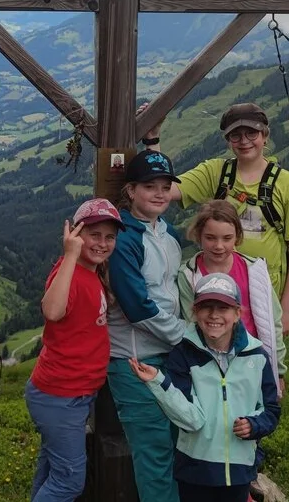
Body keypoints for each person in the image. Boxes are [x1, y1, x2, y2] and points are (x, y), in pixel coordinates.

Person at [143, 102, 289, 339]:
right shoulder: (216, 172)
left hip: (263, 302)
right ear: (228, 140)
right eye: (236, 135)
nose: (244, 140)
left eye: (251, 133)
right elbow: (165, 189)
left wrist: (285, 310)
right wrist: (152, 139)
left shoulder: (288, 185)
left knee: (261, 366)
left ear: (265, 136)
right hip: (214, 300)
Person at [128, 273, 281, 502]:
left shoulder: (257, 357)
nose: (214, 315)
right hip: (195, 471)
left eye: (223, 307)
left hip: (238, 471)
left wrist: (254, 425)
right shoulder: (182, 355)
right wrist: (159, 382)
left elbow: (271, 410)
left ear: (237, 313)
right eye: (206, 307)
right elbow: (192, 420)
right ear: (194, 312)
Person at [25, 198, 122, 502]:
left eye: (109, 237)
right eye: (94, 235)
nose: (102, 243)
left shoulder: (92, 271)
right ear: (77, 233)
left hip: (74, 394)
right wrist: (70, 255)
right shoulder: (70, 270)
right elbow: (52, 311)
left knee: (52, 470)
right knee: (69, 482)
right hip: (61, 395)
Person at [105, 149, 186, 502]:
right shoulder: (124, 239)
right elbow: (136, 306)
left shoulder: (169, 238)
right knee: (154, 454)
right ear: (131, 191)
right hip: (136, 362)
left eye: (165, 186)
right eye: (149, 186)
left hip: (167, 358)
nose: (159, 193)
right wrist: (186, 336)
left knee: (173, 447)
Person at [177, 199, 286, 397]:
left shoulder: (254, 270)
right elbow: (189, 324)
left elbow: (273, 321)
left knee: (252, 419)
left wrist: (277, 370)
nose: (219, 246)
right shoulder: (188, 275)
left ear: (237, 236)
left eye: (227, 238)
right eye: (210, 238)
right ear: (199, 235)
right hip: (209, 364)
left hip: (252, 357)